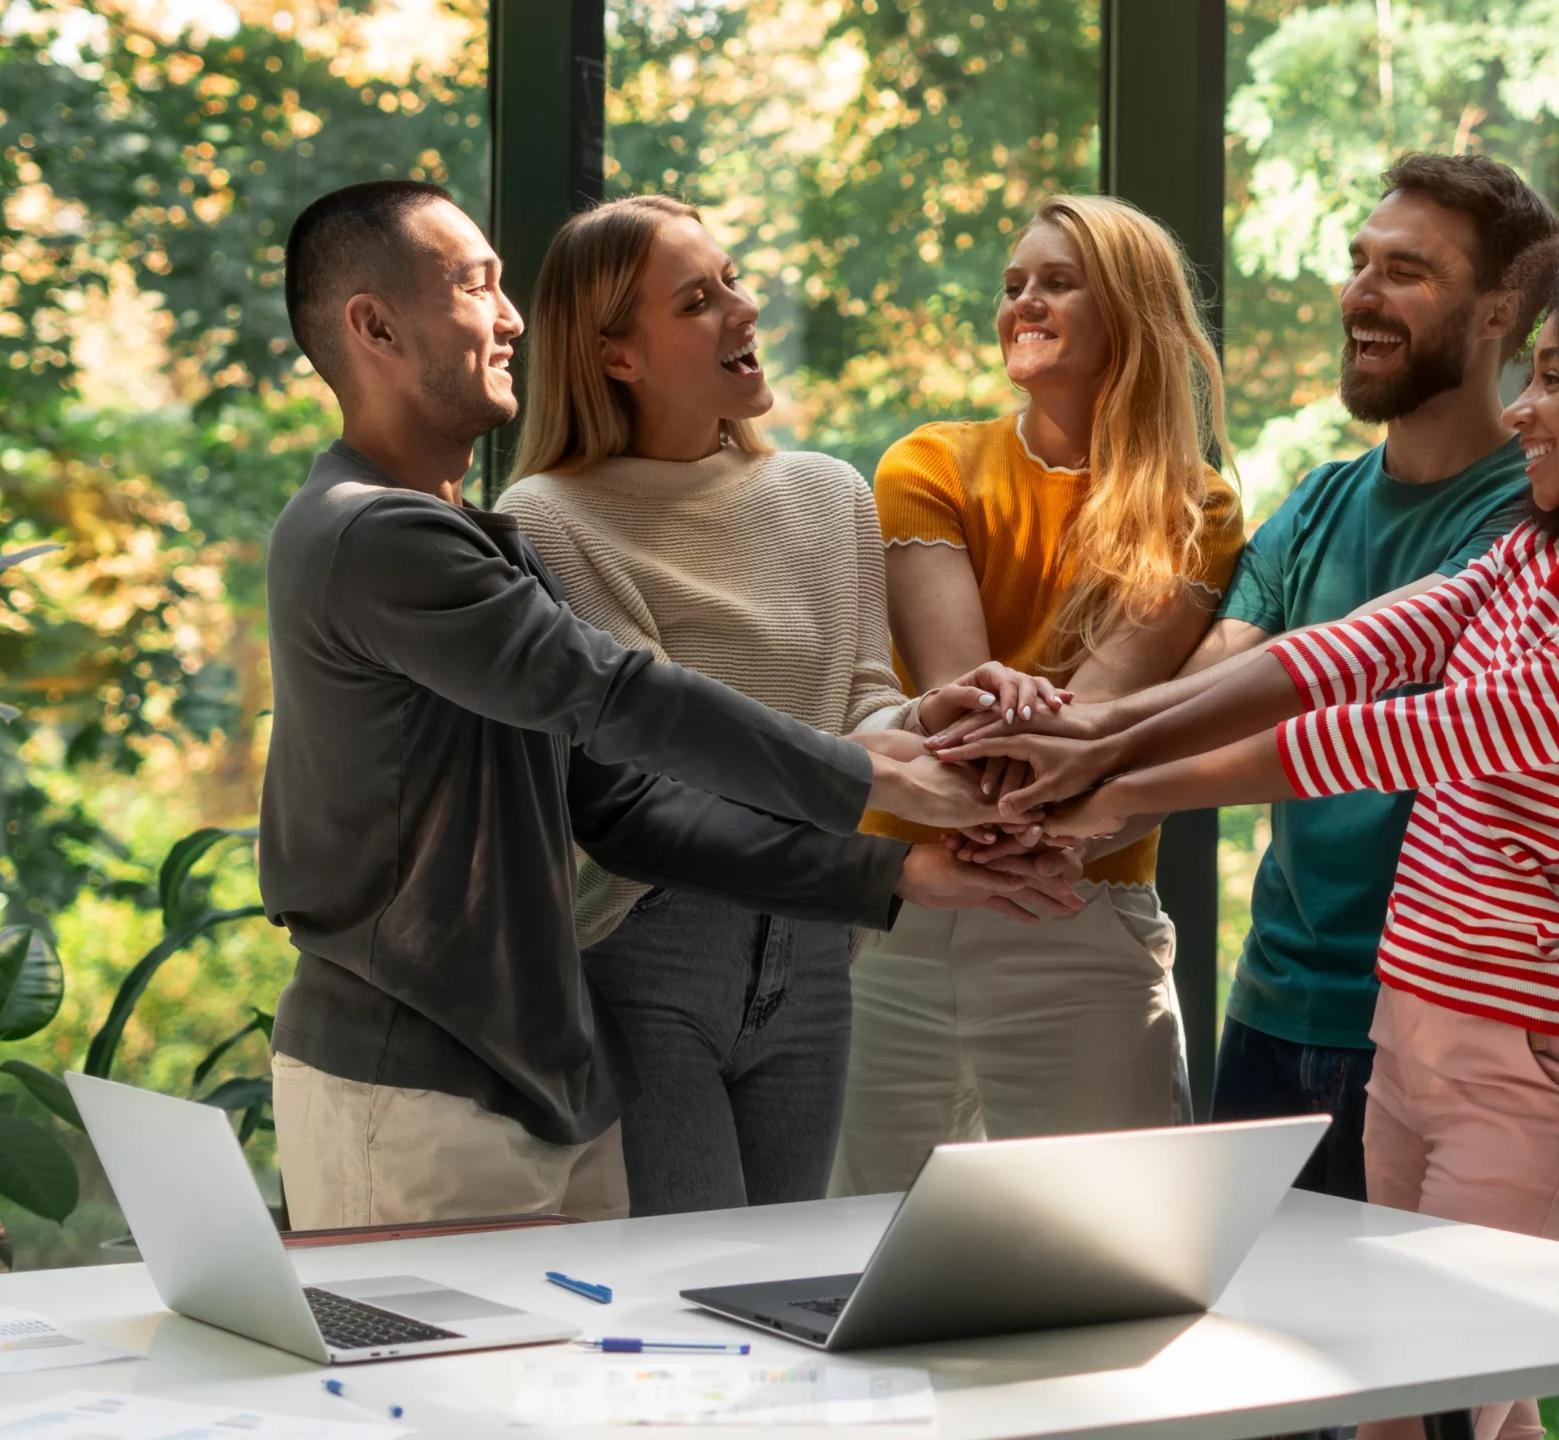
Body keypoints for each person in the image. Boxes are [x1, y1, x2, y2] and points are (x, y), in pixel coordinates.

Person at [944, 216, 1559, 1440]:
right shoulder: (1536, 558)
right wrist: (1113, 733)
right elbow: (1356, 649)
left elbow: (1394, 736)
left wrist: (1109, 782)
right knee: (1430, 1411)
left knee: (1428, 1418)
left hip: (1529, 1084)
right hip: (1411, 1042)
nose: (1525, 407)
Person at [258, 181, 1079, 1232]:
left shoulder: (481, 542)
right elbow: (613, 696)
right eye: (473, 289)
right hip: (410, 1086)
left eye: (505, 288)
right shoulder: (369, 535)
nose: (511, 319)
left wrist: (900, 867)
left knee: (655, 1373)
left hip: (548, 1083)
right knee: (444, 1397)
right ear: (371, 326)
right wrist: (869, 775)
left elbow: (624, 809)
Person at [494, 197, 1066, 1216]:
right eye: (697, 299)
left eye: (734, 278)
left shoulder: (826, 493)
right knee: (688, 1291)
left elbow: (860, 697)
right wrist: (881, 777)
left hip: (815, 948)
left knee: (786, 1275)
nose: (742, 309)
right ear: (617, 355)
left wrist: (940, 718)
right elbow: (659, 766)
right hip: (649, 946)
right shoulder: (546, 520)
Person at [827, 194, 1248, 1195]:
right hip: (902, 921)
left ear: (1131, 314)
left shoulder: (1198, 504)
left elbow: (1093, 729)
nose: (1023, 301)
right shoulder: (928, 463)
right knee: (847, 1248)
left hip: (1081, 911)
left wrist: (1037, 803)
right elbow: (962, 709)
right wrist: (1018, 780)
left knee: (1108, 1254)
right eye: (1014, 284)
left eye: (1057, 282)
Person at [1180, 152, 1559, 1199]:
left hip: (1426, 1035)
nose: (1359, 296)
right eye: (1358, 263)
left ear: (1500, 313)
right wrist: (1059, 748)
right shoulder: (1316, 502)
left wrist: (1108, 774)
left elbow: (1343, 732)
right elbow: (1213, 688)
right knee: (1250, 1355)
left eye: (1406, 271)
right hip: (1269, 1010)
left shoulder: (1526, 526)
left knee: (1406, 1355)